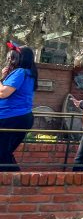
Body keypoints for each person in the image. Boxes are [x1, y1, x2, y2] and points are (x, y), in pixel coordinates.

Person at [0, 42, 38, 172]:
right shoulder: (26, 73)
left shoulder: (21, 72)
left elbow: (3, 93)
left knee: (2, 153)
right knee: (4, 153)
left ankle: (17, 182)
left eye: (12, 58)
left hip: (12, 117)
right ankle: (18, 183)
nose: (9, 61)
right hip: (16, 117)